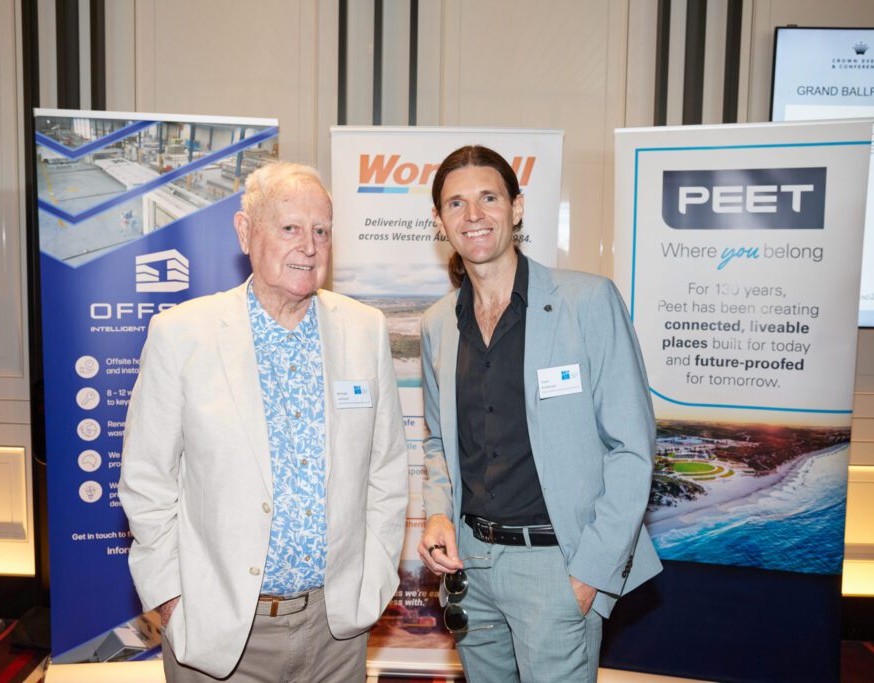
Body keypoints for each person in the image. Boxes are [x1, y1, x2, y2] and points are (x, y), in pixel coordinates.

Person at [120, 161, 408, 681]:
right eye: (290, 228)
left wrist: (376, 579)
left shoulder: (365, 331)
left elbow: (385, 470)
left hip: (337, 631)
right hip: (218, 631)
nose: (309, 246)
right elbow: (146, 480)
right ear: (245, 231)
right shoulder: (181, 335)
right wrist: (170, 597)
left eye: (321, 231)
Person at [417, 145, 661, 682]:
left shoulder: (587, 301)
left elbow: (632, 449)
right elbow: (438, 442)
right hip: (470, 565)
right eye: (456, 204)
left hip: (555, 565)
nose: (473, 215)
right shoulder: (438, 324)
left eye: (488, 198)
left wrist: (589, 574)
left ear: (517, 207)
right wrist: (437, 514)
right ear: (439, 219)